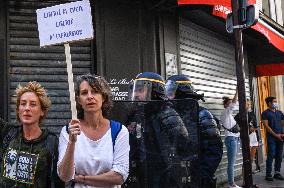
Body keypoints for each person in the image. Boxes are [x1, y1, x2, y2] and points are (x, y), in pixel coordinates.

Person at [57, 74, 130, 187]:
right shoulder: (68, 131)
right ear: (79, 100)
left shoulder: (119, 131)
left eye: (95, 92)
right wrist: (72, 142)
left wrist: (82, 179)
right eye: (84, 93)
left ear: (103, 97)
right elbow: (64, 176)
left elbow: (119, 176)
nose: (90, 97)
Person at [126, 72, 190, 188]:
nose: (136, 94)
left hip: (164, 176)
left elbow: (183, 147)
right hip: (142, 174)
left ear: (155, 92)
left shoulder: (168, 115)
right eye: (135, 90)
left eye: (140, 90)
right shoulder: (136, 115)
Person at [0, 81, 64, 188]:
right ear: (18, 109)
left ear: (42, 111)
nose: (27, 108)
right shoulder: (7, 132)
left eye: (33, 104)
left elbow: (57, 182)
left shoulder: (51, 141)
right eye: (23, 104)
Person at [165, 74, 223, 188]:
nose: (168, 97)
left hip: (197, 179)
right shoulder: (169, 115)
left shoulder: (202, 115)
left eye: (171, 92)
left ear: (182, 93)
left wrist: (202, 176)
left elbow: (214, 150)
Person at [220, 89, 241, 188]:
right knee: (231, 163)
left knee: (233, 162)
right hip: (231, 139)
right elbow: (234, 103)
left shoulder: (229, 115)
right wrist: (237, 91)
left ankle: (231, 183)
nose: (231, 105)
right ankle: (231, 184)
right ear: (225, 105)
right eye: (229, 103)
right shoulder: (225, 113)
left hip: (235, 138)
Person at [261, 96, 284, 181]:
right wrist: (275, 135)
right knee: (271, 155)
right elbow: (266, 127)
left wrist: (282, 134)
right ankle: (268, 174)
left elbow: (282, 124)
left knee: (279, 155)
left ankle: (277, 172)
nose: (276, 103)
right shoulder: (265, 113)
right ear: (269, 103)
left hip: (281, 137)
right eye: (274, 101)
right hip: (272, 138)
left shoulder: (279, 112)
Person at [235, 99, 259, 169]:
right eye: (247, 104)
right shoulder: (239, 115)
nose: (249, 106)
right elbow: (236, 125)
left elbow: (255, 125)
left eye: (249, 104)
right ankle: (244, 177)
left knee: (251, 158)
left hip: (254, 136)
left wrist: (255, 128)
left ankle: (249, 175)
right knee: (246, 158)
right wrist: (244, 129)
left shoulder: (252, 113)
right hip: (246, 137)